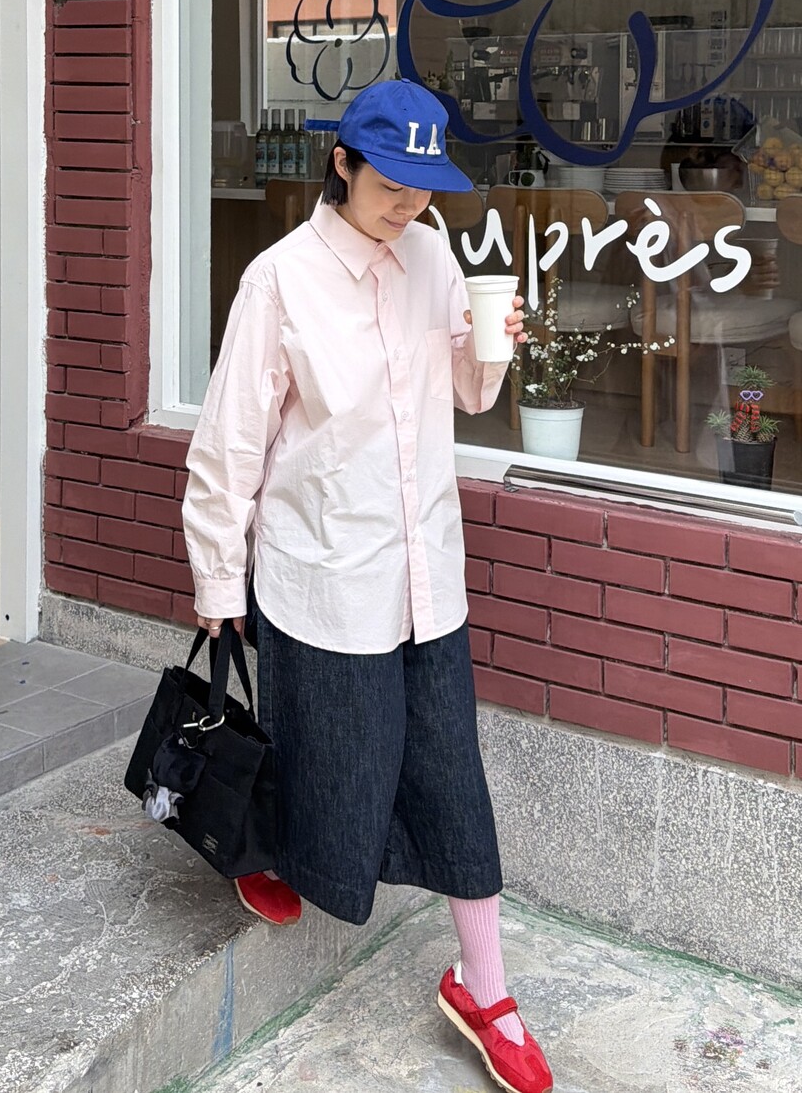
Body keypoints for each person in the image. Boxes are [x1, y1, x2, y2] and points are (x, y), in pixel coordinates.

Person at [182, 79, 553, 1093]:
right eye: (391, 185)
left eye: (424, 188)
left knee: (450, 773)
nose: (410, 205)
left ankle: (485, 986)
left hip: (426, 571)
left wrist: (494, 344)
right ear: (341, 164)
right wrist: (217, 575)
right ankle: (264, 844)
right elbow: (230, 443)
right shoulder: (279, 281)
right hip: (323, 572)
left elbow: (467, 391)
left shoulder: (433, 254)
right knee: (326, 752)